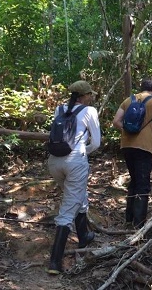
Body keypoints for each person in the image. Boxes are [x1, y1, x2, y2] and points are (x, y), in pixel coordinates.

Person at [47, 80, 101, 275]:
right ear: (82, 96)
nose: (91, 97)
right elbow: (96, 143)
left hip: (54, 162)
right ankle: (54, 262)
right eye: (89, 95)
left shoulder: (59, 109)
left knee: (77, 195)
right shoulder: (90, 112)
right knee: (68, 209)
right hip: (75, 162)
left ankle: (84, 235)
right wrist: (80, 152)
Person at [112, 79, 152, 228]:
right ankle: (139, 223)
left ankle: (129, 218)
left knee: (134, 181)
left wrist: (128, 130)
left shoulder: (128, 100)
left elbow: (116, 121)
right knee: (143, 184)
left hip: (126, 144)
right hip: (144, 146)